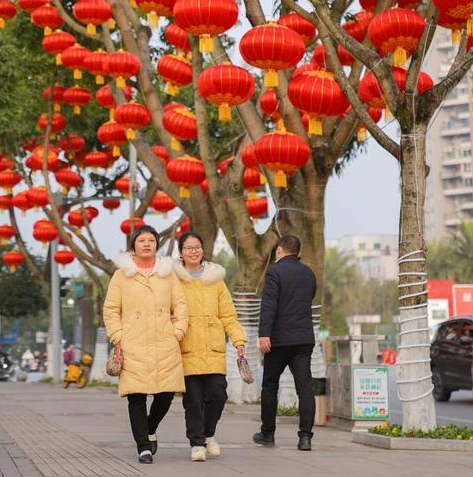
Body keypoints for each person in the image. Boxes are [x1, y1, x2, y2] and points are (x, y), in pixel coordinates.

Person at [103, 225, 188, 464]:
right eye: (142, 240)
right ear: (134, 245)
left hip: (165, 341)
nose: (147, 244)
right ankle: (143, 446)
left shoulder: (167, 273)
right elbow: (111, 309)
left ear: (157, 244)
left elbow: (180, 304)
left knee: (166, 393)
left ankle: (150, 428)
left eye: (151, 240)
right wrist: (119, 336)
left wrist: (178, 330)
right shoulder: (121, 275)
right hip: (133, 344)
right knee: (136, 396)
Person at [174, 231, 247, 462]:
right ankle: (196, 444)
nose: (193, 251)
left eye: (197, 247)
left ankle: (208, 434)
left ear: (203, 250)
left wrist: (239, 339)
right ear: (181, 253)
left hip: (213, 349)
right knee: (193, 400)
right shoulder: (174, 280)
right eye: (188, 248)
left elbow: (228, 315)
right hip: (187, 348)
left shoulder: (215, 280)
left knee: (218, 394)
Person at [253, 234, 317, 451]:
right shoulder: (309, 273)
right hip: (303, 340)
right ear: (298, 253)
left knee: (270, 386)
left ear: (279, 250)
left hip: (278, 341)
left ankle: (267, 434)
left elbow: (269, 305)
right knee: (305, 388)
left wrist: (264, 334)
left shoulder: (274, 272)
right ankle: (305, 437)